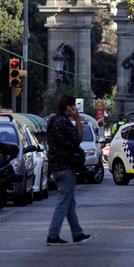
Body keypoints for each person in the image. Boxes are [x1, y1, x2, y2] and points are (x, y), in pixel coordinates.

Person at [45, 94, 91, 246]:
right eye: (73, 107)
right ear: (67, 107)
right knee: (64, 202)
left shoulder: (53, 120)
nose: (75, 109)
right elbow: (78, 138)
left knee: (70, 202)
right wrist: (77, 119)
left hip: (57, 166)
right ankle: (53, 235)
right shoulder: (63, 122)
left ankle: (77, 233)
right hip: (65, 166)